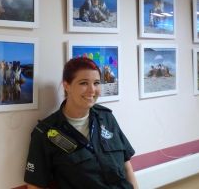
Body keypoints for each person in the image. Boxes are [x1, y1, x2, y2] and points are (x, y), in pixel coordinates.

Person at [24, 57, 138, 189]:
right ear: (67, 86)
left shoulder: (107, 118)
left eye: (96, 83)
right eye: (84, 83)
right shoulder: (45, 133)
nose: (92, 90)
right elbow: (35, 185)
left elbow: (127, 167)